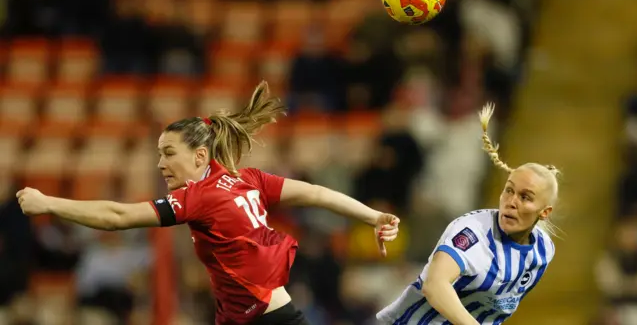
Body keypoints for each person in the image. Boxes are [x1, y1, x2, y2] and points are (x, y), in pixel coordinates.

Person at [17, 81, 401, 325]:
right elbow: (315, 193)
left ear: (200, 157)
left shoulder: (198, 197)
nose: (160, 163)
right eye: (158, 153)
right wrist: (371, 215)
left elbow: (118, 216)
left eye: (169, 153)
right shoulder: (246, 179)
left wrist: (48, 202)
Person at [376, 103, 558, 325]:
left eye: (525, 197)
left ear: (545, 212)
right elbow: (434, 286)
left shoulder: (543, 251)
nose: (511, 202)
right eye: (508, 190)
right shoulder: (473, 231)